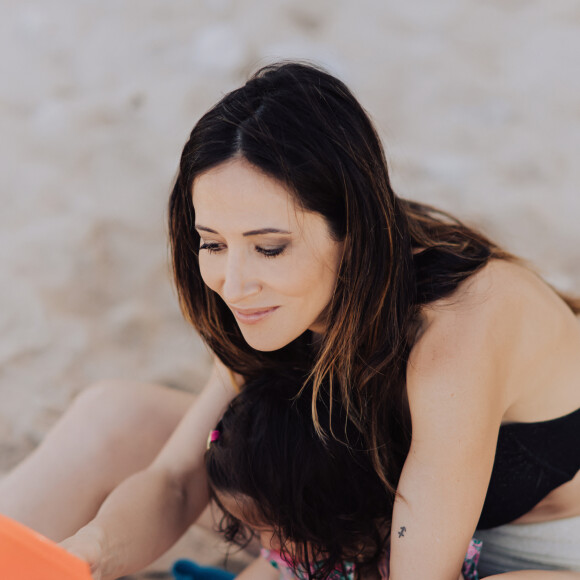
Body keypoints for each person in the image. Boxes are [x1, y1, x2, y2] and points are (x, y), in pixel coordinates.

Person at [0, 61, 579, 579]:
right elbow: (179, 481)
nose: (235, 282)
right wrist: (87, 553)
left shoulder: (458, 328)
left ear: (351, 231)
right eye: (212, 243)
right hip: (371, 522)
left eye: (269, 247)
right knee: (113, 419)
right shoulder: (276, 298)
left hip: (541, 555)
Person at [201, 370, 482, 580]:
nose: (265, 544)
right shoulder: (297, 555)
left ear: (328, 509)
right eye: (256, 530)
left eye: (277, 531)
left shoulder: (409, 556)